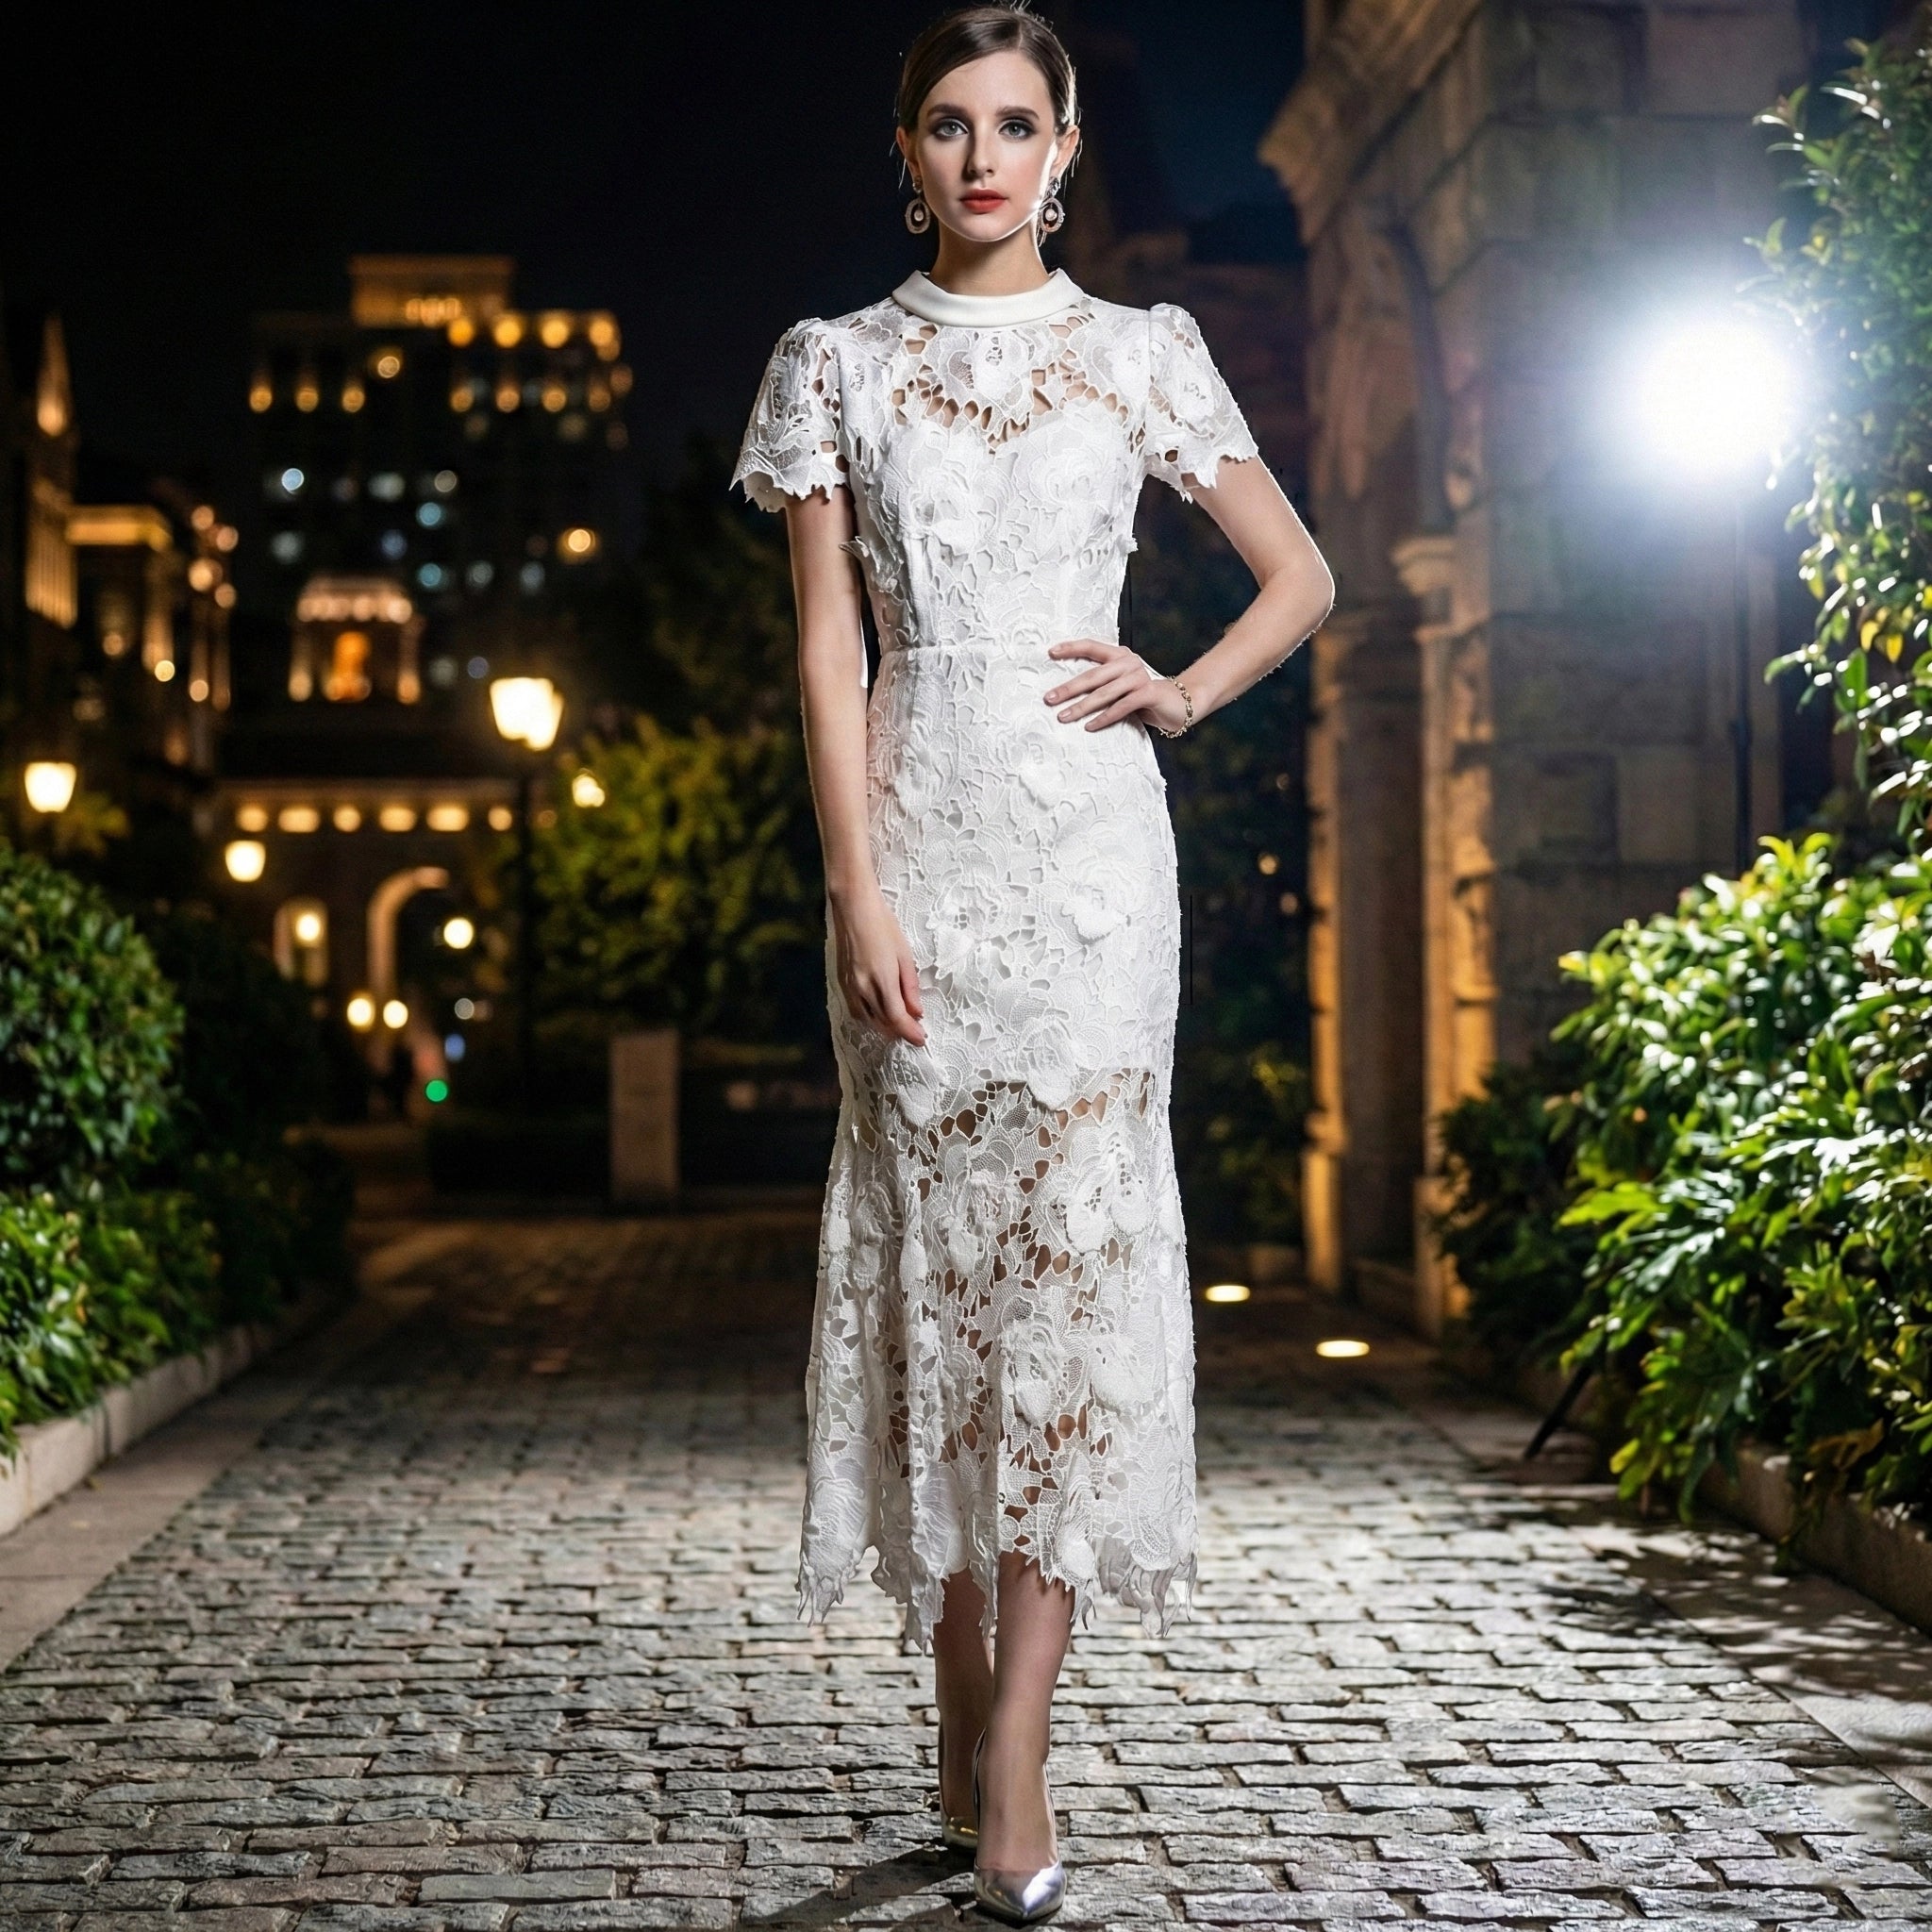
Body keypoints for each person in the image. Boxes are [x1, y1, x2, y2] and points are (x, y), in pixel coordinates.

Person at [733, 6, 1335, 1920]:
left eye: (1014, 123)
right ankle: (954, 1663)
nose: (981, 156)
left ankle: (1014, 1759)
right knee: (938, 1273)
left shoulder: (1139, 355)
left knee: (1069, 1279)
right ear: (902, 152)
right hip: (912, 851)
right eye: (944, 124)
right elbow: (827, 650)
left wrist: (1180, 690)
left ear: (1065, 142)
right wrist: (857, 886)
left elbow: (1300, 574)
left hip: (1089, 874)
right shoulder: (835, 366)